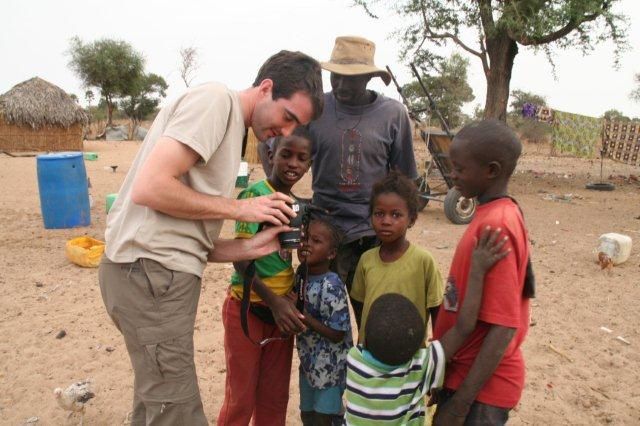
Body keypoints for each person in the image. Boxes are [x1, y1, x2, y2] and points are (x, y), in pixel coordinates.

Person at [99, 50, 324, 425]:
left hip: (154, 273)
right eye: (287, 117)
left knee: (154, 407)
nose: (285, 132)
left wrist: (250, 246)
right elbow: (150, 187)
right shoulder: (217, 101)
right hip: (149, 276)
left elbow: (181, 235)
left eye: (295, 125)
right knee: (178, 414)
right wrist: (240, 209)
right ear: (266, 88)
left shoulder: (232, 128)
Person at [344, 227, 510, 425]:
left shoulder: (354, 361)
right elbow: (463, 327)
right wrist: (477, 271)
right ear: (416, 348)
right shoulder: (417, 368)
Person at [432, 119, 533, 425]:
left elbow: (504, 327)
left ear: (491, 170)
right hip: (464, 376)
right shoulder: (495, 212)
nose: (452, 175)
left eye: (460, 169)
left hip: (480, 391)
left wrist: (460, 404)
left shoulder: (497, 224)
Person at [308, 36, 418, 297]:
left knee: (373, 314)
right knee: (325, 319)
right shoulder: (316, 109)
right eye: (337, 76)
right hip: (325, 231)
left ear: (369, 78)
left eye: (353, 78)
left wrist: (397, 231)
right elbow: (280, 152)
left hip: (373, 233)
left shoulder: (393, 114)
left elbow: (403, 180)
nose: (342, 84)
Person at [218, 127, 313, 425]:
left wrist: (292, 296)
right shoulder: (255, 196)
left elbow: (289, 259)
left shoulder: (298, 206)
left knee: (274, 399)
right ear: (271, 156)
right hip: (248, 309)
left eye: (302, 158)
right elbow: (240, 259)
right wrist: (274, 301)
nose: (293, 164)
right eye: (286, 155)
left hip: (280, 316)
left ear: (310, 165)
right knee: (241, 397)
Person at [350, 171, 443, 340]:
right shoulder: (366, 260)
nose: (386, 221)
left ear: (412, 219)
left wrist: (439, 346)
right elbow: (359, 304)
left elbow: (437, 309)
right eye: (379, 213)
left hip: (410, 356)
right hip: (371, 356)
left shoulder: (423, 261)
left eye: (396, 215)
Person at [295, 218, 352, 426]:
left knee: (323, 419)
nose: (306, 244)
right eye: (304, 238)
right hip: (309, 364)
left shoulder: (332, 284)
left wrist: (303, 316)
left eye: (315, 241)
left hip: (330, 369)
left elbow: (338, 334)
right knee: (307, 415)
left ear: (331, 253)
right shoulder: (301, 275)